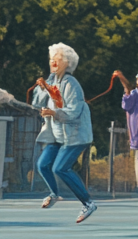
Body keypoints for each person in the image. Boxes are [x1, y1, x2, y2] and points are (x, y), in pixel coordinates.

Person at [32, 43, 97, 223]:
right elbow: (38, 103)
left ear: (67, 63)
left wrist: (54, 113)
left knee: (60, 168)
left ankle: (88, 203)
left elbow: (74, 111)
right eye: (52, 58)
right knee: (43, 165)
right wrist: (41, 87)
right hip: (58, 135)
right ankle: (54, 194)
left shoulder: (71, 84)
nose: (53, 61)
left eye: (58, 59)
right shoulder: (52, 80)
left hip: (75, 136)